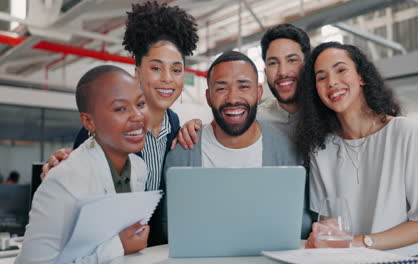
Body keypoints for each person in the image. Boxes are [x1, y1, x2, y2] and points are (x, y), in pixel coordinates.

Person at [39, 0, 198, 246]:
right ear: (137, 72)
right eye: (156, 68)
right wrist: (60, 167)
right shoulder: (105, 126)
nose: (167, 79)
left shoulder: (175, 127)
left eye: (176, 71)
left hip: (151, 251)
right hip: (103, 248)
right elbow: (77, 189)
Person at [297, 42, 418, 256]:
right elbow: (330, 220)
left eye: (341, 70)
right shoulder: (321, 149)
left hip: (404, 259)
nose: (332, 82)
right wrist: (326, 232)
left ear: (361, 77)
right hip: (349, 259)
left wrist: (360, 242)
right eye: (321, 77)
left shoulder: (404, 133)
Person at [163, 50, 312, 239]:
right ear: (208, 97)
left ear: (258, 93)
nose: (232, 99)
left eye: (243, 87)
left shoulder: (287, 150)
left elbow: (301, 224)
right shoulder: (184, 151)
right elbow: (171, 228)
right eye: (221, 88)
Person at [17, 65, 150, 263]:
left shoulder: (139, 168)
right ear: (89, 121)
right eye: (121, 108)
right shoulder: (63, 180)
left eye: (140, 104)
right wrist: (118, 246)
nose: (138, 116)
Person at [174, 23, 310, 148]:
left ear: (308, 64)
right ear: (265, 71)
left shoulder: (327, 113)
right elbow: (218, 131)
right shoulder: (255, 118)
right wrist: (192, 128)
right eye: (273, 63)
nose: (283, 72)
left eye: (292, 60)